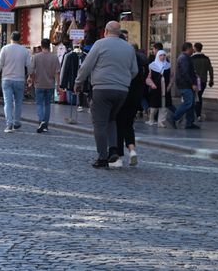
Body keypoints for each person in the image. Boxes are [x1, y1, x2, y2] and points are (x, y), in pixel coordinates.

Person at [74, 21, 138, 169]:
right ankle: (114, 150)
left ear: (105, 31)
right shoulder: (129, 48)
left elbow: (86, 66)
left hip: (102, 89)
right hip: (122, 91)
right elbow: (134, 70)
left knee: (100, 123)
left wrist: (78, 82)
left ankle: (102, 157)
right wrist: (123, 80)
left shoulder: (100, 44)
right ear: (120, 32)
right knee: (111, 119)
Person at [113, 38, 148, 167]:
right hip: (136, 97)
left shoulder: (127, 60)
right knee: (129, 125)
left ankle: (119, 157)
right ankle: (132, 150)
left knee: (118, 126)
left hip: (124, 94)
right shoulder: (144, 61)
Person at [0, 32, 31, 133]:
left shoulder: (5, 49)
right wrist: (30, 76)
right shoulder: (25, 50)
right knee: (18, 103)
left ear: (11, 38)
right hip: (20, 79)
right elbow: (29, 65)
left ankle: (9, 124)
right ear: (20, 39)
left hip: (7, 79)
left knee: (8, 103)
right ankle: (16, 122)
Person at [30, 39, 60, 133]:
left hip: (39, 84)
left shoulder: (36, 57)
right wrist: (58, 85)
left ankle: (41, 120)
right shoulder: (54, 57)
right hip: (50, 84)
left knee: (39, 104)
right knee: (47, 105)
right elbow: (57, 73)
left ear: (41, 46)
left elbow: (31, 71)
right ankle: (46, 125)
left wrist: (32, 79)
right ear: (49, 46)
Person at [168, 42, 199, 129]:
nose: (193, 50)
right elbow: (185, 73)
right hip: (185, 85)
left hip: (186, 84)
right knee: (188, 103)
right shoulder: (184, 58)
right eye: (192, 48)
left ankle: (189, 122)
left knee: (191, 103)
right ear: (188, 48)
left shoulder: (186, 58)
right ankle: (173, 118)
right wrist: (192, 83)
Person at [146, 50, 173, 127]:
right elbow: (148, 77)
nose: (163, 57)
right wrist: (152, 84)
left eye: (164, 55)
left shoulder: (168, 66)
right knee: (154, 106)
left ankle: (161, 122)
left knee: (164, 106)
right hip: (156, 88)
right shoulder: (152, 66)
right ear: (158, 56)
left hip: (165, 88)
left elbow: (172, 77)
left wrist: (170, 85)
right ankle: (151, 119)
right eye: (161, 55)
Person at [191, 42, 214, 121]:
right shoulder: (206, 58)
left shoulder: (191, 58)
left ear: (194, 48)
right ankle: (198, 115)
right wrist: (211, 80)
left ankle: (194, 114)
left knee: (193, 97)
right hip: (203, 81)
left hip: (194, 82)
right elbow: (210, 69)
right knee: (199, 97)